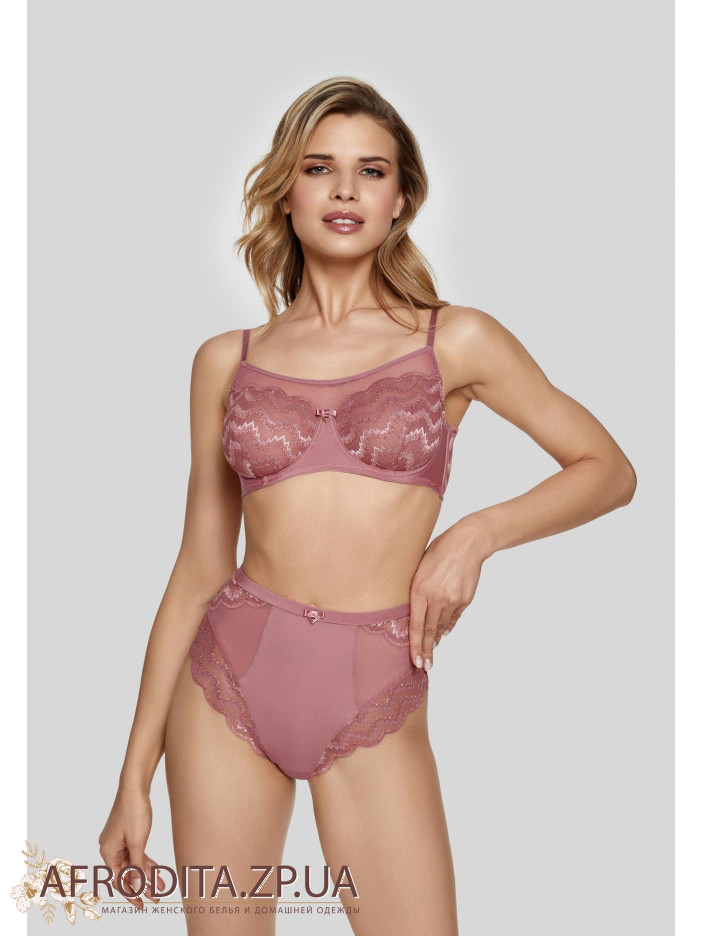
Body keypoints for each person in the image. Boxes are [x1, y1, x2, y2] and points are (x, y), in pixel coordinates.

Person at [98, 76, 637, 935]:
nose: (345, 190)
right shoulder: (225, 360)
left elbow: (608, 468)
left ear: (401, 199)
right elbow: (198, 569)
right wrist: (132, 777)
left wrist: (475, 535)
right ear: (286, 192)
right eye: (320, 168)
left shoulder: (455, 339)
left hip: (374, 688)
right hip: (225, 684)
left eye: (371, 171)